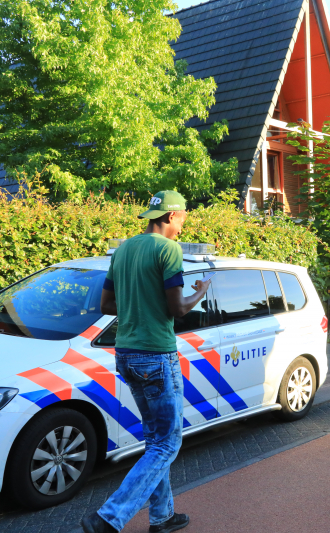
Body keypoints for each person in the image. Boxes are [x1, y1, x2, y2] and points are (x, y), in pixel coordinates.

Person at [81, 191, 209, 533]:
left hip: (126, 354)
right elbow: (178, 309)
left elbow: (107, 305)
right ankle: (108, 518)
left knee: (155, 442)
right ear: (169, 216)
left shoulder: (123, 249)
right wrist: (202, 291)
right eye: (182, 218)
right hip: (157, 354)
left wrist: (139, 305)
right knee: (169, 443)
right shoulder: (168, 250)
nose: (183, 225)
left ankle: (162, 517)